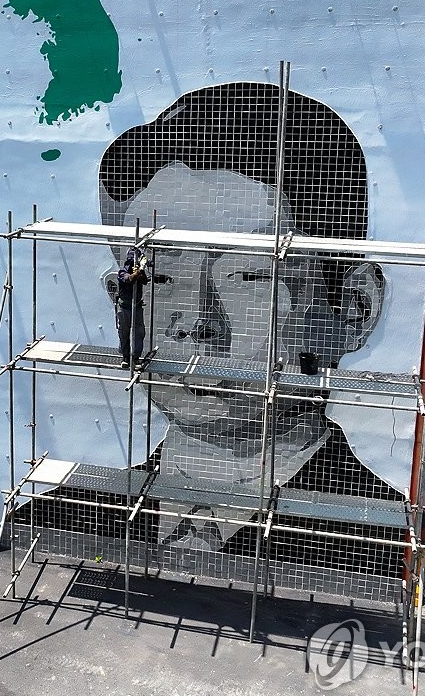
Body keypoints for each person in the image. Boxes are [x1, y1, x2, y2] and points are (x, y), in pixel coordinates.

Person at [98, 81, 389, 552]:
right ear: (120, 300)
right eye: (160, 277)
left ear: (353, 311)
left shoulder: (378, 537)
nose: (195, 321)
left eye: (247, 275)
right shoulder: (73, 513)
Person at [115, 247, 150, 368]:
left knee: (139, 332)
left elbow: (145, 281)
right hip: (125, 308)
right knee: (124, 332)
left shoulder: (139, 272)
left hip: (137, 307)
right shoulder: (122, 272)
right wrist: (138, 271)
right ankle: (125, 357)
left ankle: (135, 358)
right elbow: (129, 279)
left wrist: (141, 272)